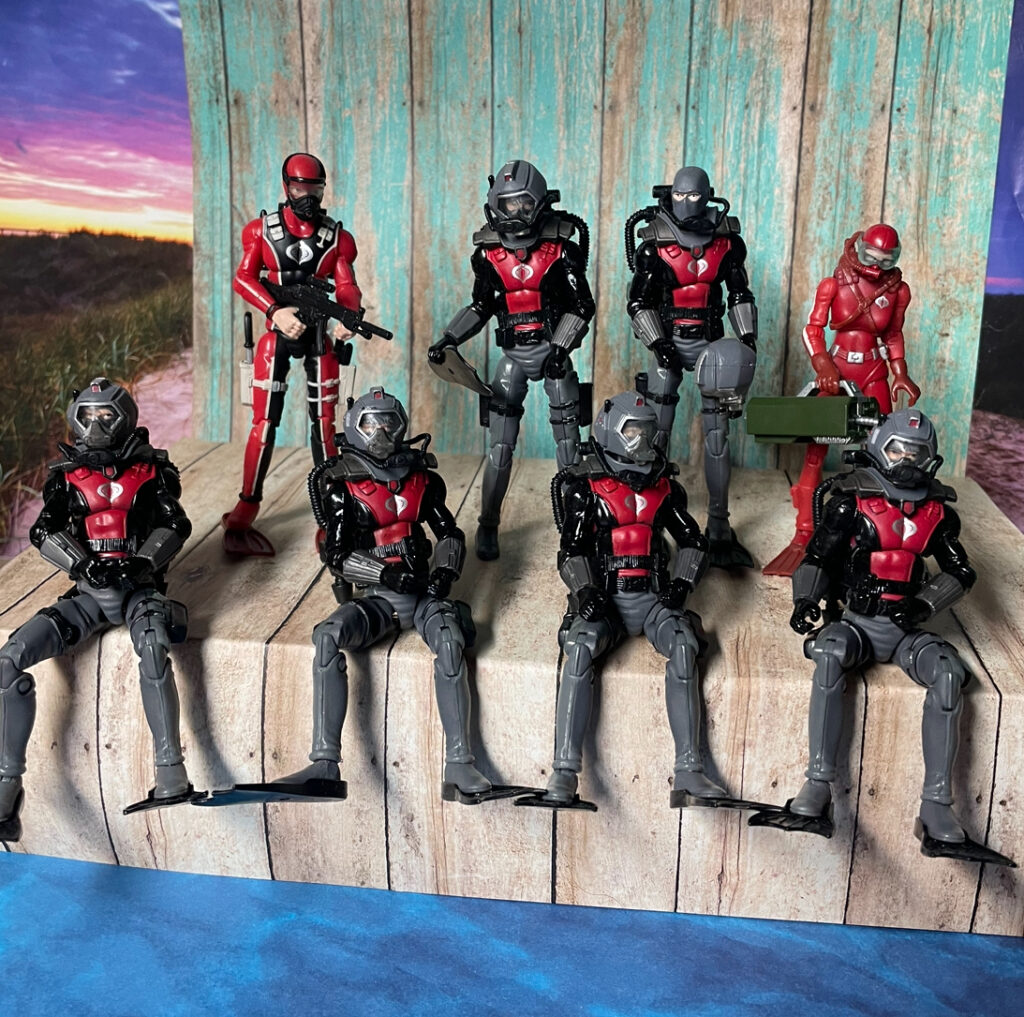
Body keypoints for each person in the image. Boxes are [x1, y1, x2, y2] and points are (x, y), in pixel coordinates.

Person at [750, 410, 1013, 866]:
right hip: (857, 622)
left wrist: (925, 605)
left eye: (917, 453)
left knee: (949, 674)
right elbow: (817, 558)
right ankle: (816, 787)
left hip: (907, 629)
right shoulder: (850, 503)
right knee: (829, 653)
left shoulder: (937, 514)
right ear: (878, 449)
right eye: (898, 450)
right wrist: (806, 599)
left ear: (930, 458)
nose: (907, 460)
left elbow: (961, 571)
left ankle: (936, 809)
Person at [0, 379, 194, 840]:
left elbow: (175, 524)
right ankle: (7, 787)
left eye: (106, 415)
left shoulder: (152, 469)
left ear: (125, 417)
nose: (96, 425)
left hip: (139, 589)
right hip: (87, 595)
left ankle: (171, 771)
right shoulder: (66, 477)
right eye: (87, 415)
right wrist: (84, 564)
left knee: (153, 651)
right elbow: (44, 531)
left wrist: (141, 563)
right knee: (8, 661)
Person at [429, 160, 595, 561]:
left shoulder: (563, 248)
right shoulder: (487, 254)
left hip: (553, 354)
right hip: (512, 359)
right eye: (507, 205)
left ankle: (574, 527)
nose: (515, 213)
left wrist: (561, 348)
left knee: (569, 447)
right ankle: (488, 523)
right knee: (499, 449)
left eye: (523, 204)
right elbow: (481, 306)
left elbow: (582, 306)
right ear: (493, 206)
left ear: (539, 203)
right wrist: (449, 338)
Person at [223, 152, 363, 556]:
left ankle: (330, 515)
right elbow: (243, 278)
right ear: (287, 186)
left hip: (319, 334)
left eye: (315, 189)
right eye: (301, 188)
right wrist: (274, 311)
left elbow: (346, 285)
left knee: (325, 424)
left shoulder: (338, 238)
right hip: (277, 334)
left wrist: (349, 316)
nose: (308, 196)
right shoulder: (260, 231)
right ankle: (245, 509)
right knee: (264, 423)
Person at [765, 224, 920, 576]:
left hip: (873, 371)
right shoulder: (834, 283)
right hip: (837, 370)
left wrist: (900, 372)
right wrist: (822, 364)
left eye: (886, 260)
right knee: (816, 449)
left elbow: (893, 334)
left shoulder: (897, 290)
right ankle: (804, 529)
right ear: (858, 248)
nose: (877, 265)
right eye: (870, 256)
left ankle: (873, 529)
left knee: (880, 448)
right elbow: (813, 328)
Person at [625, 166, 757, 568]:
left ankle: (719, 526)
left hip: (712, 345)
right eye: (680, 197)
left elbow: (739, 293)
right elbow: (639, 302)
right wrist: (658, 343)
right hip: (667, 343)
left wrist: (746, 337)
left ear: (707, 197)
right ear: (671, 196)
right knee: (653, 436)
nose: (687, 204)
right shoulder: (653, 245)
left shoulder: (726, 241)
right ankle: (650, 524)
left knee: (718, 439)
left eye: (694, 197)